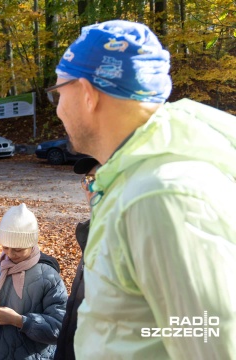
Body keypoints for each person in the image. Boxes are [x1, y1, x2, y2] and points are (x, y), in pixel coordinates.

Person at [49, 20, 236, 358]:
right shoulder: (132, 178)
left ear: (88, 93)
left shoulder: (161, 197)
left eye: (58, 93)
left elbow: (212, 341)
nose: (59, 109)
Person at [0, 203, 67, 359]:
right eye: (5, 247)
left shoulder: (49, 278)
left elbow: (60, 327)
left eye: (18, 249)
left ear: (31, 243)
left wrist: (20, 321)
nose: (10, 254)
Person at [54, 156, 99, 360]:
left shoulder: (132, 240)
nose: (91, 188)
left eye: (102, 179)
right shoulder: (90, 234)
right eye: (89, 180)